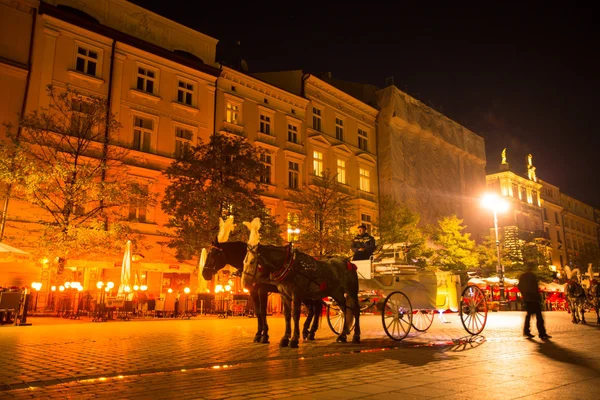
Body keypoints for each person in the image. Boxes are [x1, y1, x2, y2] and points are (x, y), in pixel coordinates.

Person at [517, 263, 551, 340]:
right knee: (538, 316)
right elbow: (534, 287)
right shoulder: (531, 276)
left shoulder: (524, 276)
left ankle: (528, 331)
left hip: (529, 298)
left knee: (530, 316)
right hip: (533, 298)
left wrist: (524, 295)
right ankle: (541, 333)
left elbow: (520, 286)